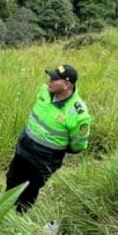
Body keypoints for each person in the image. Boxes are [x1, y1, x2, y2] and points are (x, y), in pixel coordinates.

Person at [5, 63, 92, 213]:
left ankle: (18, 220)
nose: (49, 81)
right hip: (23, 150)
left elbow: (78, 145)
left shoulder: (78, 114)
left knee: (29, 191)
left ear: (66, 84)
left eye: (53, 79)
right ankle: (2, 213)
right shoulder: (44, 91)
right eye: (50, 77)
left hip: (43, 160)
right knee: (12, 181)